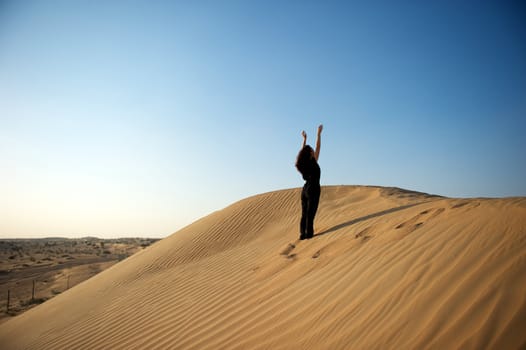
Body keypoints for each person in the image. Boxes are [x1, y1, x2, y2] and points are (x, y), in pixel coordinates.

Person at [295, 124, 323, 240]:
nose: (313, 150)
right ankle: (309, 235)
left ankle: (302, 234)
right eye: (311, 150)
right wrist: (318, 134)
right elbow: (318, 147)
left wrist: (304, 140)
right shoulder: (313, 161)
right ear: (310, 153)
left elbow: (304, 152)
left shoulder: (303, 164)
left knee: (304, 213)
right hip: (313, 189)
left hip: (305, 190)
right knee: (310, 213)